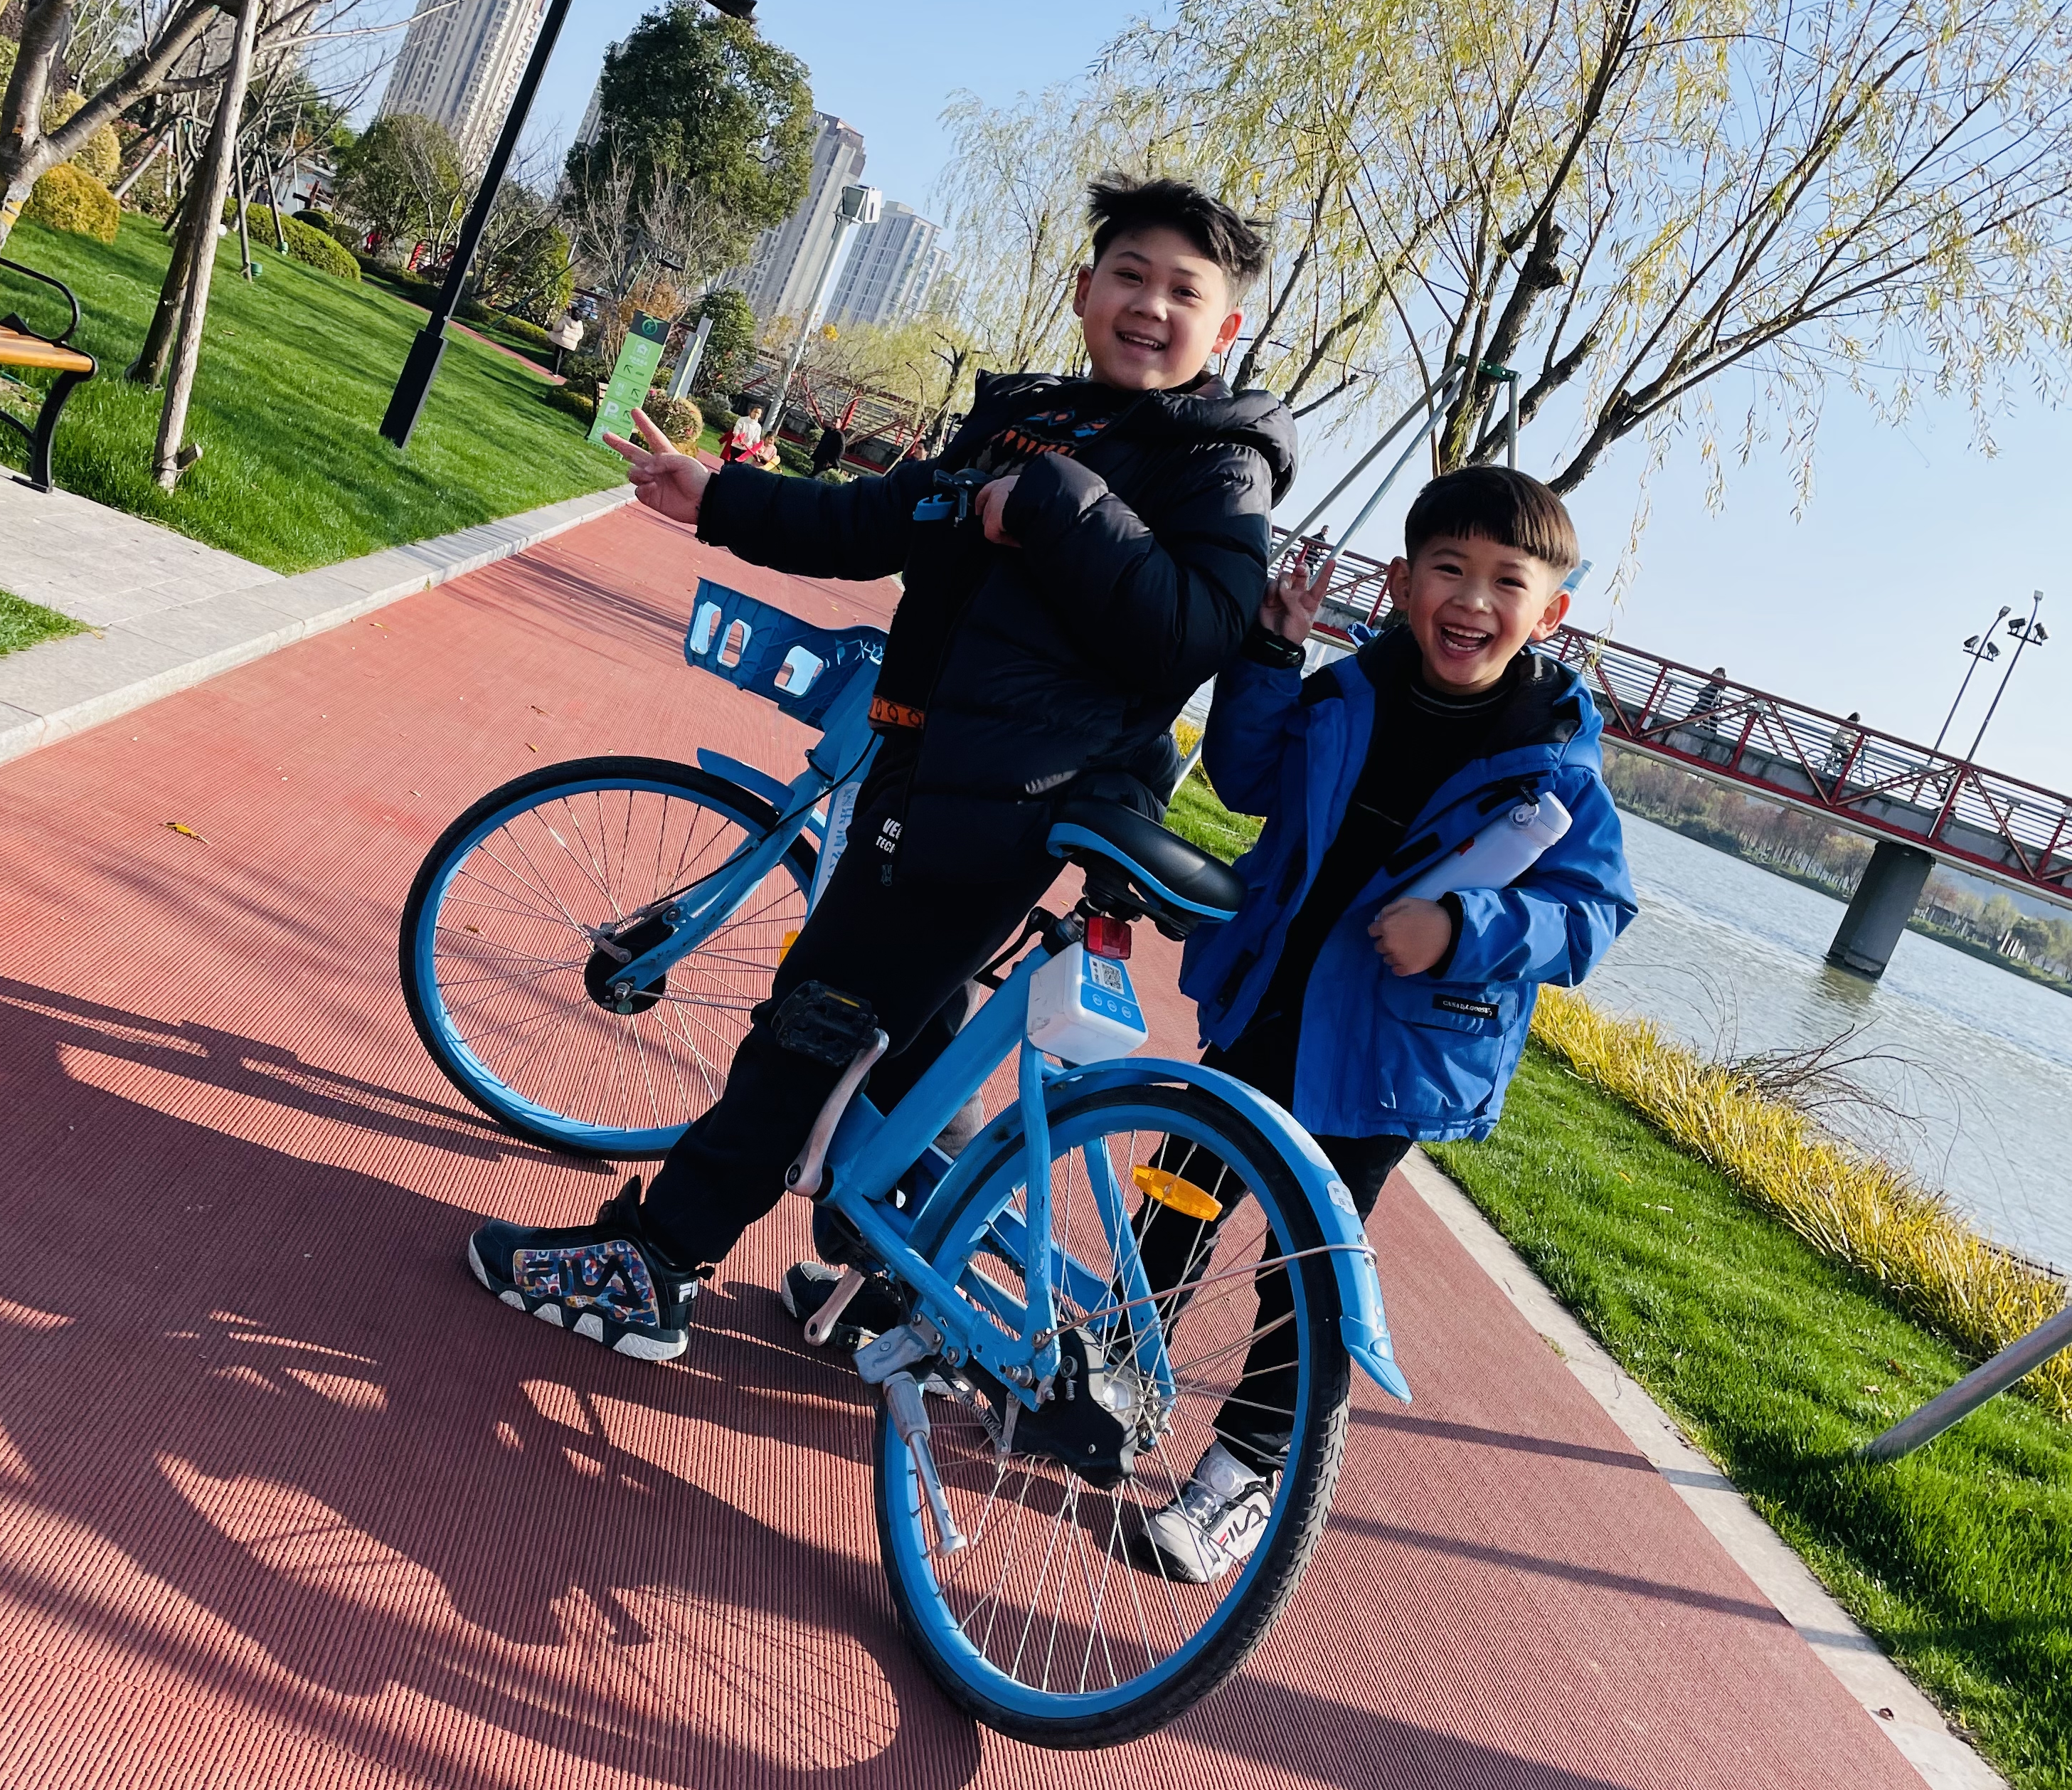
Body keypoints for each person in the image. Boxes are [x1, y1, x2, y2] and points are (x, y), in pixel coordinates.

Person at [464, 176, 1297, 1369]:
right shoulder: (1036, 420)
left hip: (1004, 800)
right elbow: (880, 521)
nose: (1150, 306)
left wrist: (1055, 504)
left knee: (814, 1025)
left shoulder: (1217, 465)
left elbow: (1192, 632)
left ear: (1226, 329)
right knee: (911, 1038)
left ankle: (655, 1263)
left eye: (1184, 292)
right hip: (933, 772)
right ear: (1083, 290)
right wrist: (721, 500)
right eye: (1129, 275)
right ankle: (904, 1285)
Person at [1135, 467, 1636, 1581]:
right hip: (1270, 1001)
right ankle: (1116, 1377)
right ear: (1404, 584)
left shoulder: (1557, 764)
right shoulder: (1346, 691)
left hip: (1391, 1055)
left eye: (1507, 582)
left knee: (1304, 1265)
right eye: (1449, 570)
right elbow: (1246, 775)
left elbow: (1593, 917)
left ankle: (1245, 1470)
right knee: (1176, 1199)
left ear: (1550, 613)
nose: (1473, 600)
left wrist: (1462, 928)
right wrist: (1270, 656)